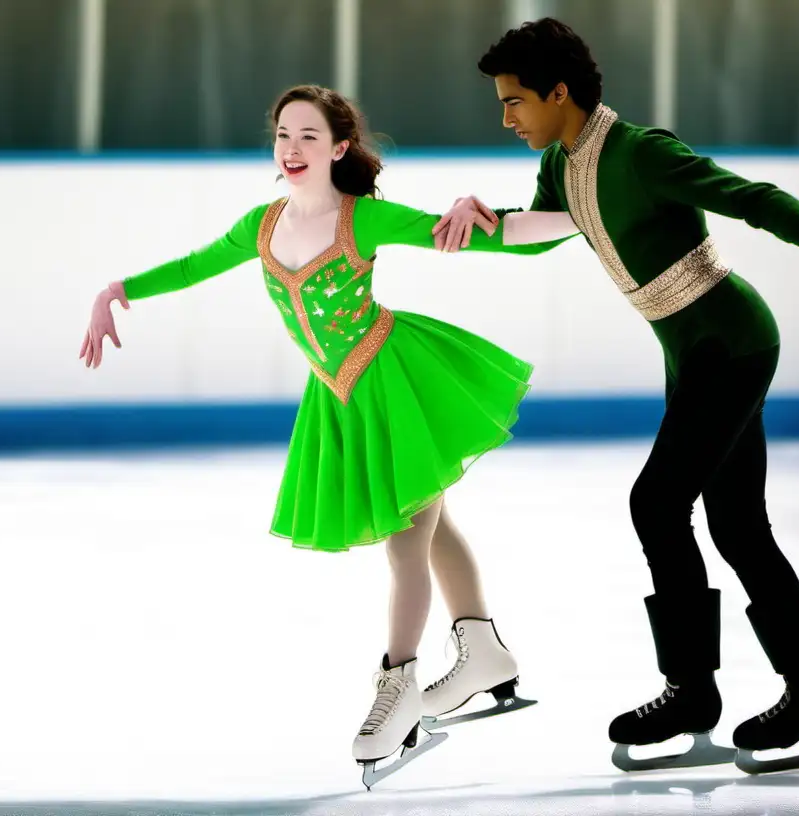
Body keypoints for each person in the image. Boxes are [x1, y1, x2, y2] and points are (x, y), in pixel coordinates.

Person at [79, 84, 579, 788]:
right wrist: (117, 290)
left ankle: (397, 682)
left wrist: (581, 219)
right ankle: (483, 649)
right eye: (283, 134)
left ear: (339, 148)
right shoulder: (260, 225)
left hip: (397, 383)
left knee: (409, 534)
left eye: (309, 135)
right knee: (432, 528)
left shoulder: (362, 221)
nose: (291, 147)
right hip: (339, 396)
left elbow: (489, 237)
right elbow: (194, 266)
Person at [430, 18, 799, 775]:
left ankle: (692, 691)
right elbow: (545, 230)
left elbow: (751, 197)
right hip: (692, 355)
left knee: (657, 503)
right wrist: (481, 218)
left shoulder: (641, 152)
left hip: (732, 343)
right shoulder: (561, 162)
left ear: (559, 92)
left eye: (514, 102)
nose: (506, 118)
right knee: (736, 526)